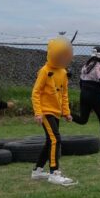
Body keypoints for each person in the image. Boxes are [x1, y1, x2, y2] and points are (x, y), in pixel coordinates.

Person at [31, 37, 76, 186]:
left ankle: (37, 171)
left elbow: (64, 93)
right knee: (55, 139)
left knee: (49, 141)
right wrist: (38, 112)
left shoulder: (63, 72)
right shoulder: (44, 71)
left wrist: (66, 112)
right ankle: (54, 173)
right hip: (46, 112)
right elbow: (36, 92)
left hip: (56, 112)